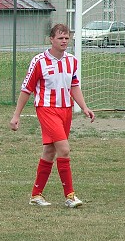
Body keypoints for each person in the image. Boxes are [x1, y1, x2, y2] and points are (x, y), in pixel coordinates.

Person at [10, 23, 95, 207]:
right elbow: (26, 89)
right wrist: (16, 116)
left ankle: (36, 195)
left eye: (66, 38)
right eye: (60, 38)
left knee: (50, 151)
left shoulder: (72, 61)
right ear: (51, 39)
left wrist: (85, 107)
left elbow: (74, 86)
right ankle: (70, 196)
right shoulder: (39, 61)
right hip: (46, 109)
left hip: (66, 110)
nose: (64, 41)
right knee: (64, 149)